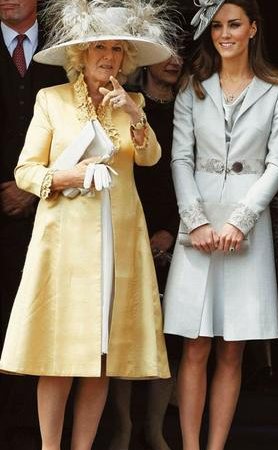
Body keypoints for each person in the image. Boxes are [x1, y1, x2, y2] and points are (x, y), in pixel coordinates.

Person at [0, 1, 179, 449]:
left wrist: (136, 115)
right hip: (64, 246)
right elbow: (25, 172)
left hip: (118, 245)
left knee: (101, 359)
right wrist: (66, 176)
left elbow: (150, 158)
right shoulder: (51, 100)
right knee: (59, 358)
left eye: (117, 49)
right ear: (81, 54)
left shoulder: (133, 102)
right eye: (99, 46)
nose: (108, 57)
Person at [162, 1, 278, 449]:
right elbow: (180, 157)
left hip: (248, 221)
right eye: (217, 25)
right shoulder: (192, 88)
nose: (225, 33)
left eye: (234, 24)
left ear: (253, 29)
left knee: (233, 346)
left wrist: (242, 221)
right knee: (195, 344)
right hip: (195, 219)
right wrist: (195, 220)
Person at [107, 52, 186, 450]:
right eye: (165, 53)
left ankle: (154, 429)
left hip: (177, 232)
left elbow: (190, 174)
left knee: (166, 335)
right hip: (127, 226)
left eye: (180, 54)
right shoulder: (126, 100)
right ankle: (121, 428)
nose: (174, 61)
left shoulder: (190, 107)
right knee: (122, 332)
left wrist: (170, 231)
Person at [0, 0, 67, 445]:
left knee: (46, 315)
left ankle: (34, 430)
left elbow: (87, 123)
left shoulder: (67, 48)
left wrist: (34, 186)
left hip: (56, 205)